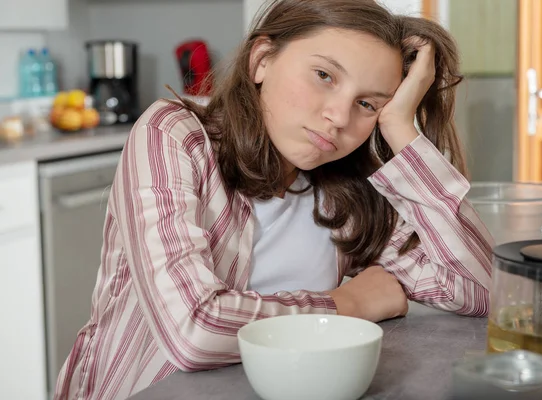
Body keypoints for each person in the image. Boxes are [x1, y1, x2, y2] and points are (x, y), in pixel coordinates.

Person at [54, 0, 494, 398]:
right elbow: (195, 331)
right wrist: (350, 304)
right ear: (262, 59)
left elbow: (481, 292)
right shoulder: (172, 137)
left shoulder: (350, 191)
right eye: (324, 76)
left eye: (367, 104)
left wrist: (402, 129)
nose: (338, 117)